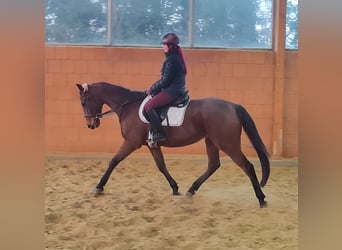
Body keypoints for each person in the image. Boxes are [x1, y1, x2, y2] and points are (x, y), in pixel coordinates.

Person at [144, 32, 188, 144]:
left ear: (170, 46)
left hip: (172, 91)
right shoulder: (175, 58)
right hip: (175, 89)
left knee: (148, 106)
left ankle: (159, 134)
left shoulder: (172, 60)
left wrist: (152, 89)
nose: (163, 47)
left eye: (165, 45)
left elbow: (165, 80)